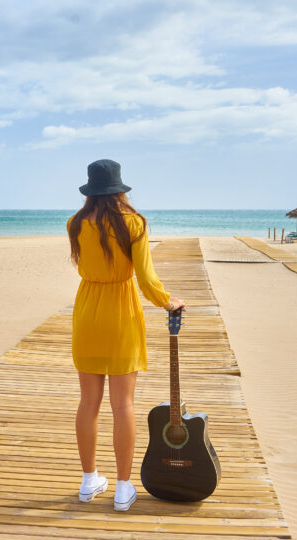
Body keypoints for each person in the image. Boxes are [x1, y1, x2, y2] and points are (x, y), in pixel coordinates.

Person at [66, 159, 184, 512]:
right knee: (123, 405)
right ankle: (122, 488)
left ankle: (89, 481)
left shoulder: (75, 223)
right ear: (120, 190)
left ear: (90, 190)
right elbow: (146, 281)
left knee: (88, 403)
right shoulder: (134, 223)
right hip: (121, 312)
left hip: (87, 312)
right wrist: (168, 301)